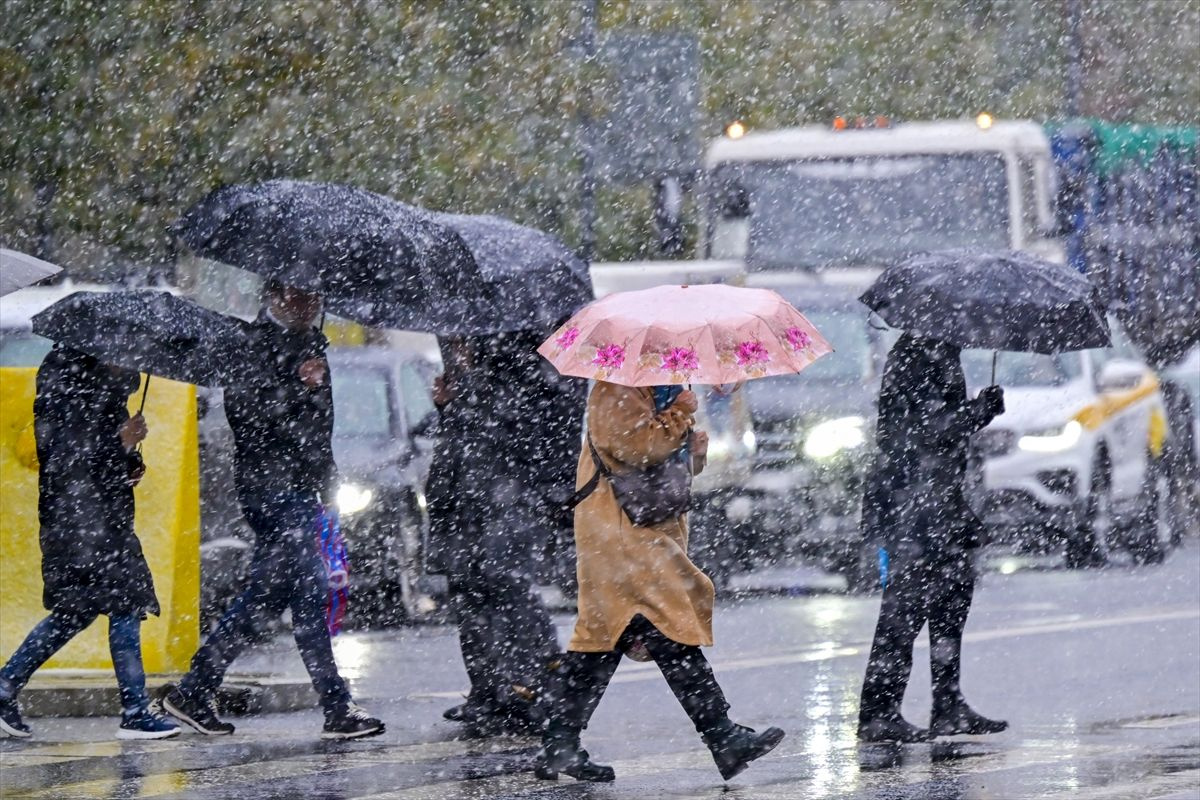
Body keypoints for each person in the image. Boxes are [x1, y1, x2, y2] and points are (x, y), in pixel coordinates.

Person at [163, 280, 383, 740]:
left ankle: (194, 689)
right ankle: (336, 706)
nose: (309, 303)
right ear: (274, 296)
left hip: (304, 489)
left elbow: (320, 425)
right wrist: (300, 388)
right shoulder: (253, 345)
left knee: (270, 598)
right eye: (299, 295)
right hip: (271, 489)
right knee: (311, 590)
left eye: (315, 295)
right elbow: (249, 417)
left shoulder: (311, 343)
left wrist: (328, 479)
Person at [534, 381, 785, 783]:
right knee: (667, 630)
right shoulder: (616, 386)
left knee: (605, 639)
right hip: (620, 534)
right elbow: (635, 448)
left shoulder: (655, 389)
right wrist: (681, 413)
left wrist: (694, 455)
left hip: (637, 530)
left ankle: (559, 744)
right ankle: (722, 736)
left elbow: (657, 466)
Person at [0, 346, 178, 740]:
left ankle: (4, 688)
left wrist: (130, 459)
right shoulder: (70, 393)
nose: (132, 360)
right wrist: (120, 444)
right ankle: (134, 710)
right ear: (100, 351)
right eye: (125, 353)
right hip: (82, 524)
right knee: (125, 603)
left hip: (96, 522)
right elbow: (68, 462)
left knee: (74, 612)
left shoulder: (109, 395)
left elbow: (101, 464)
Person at [857, 332, 1008, 743]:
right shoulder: (914, 356)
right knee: (904, 608)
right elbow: (921, 432)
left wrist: (973, 413)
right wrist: (976, 412)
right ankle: (878, 712)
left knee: (952, 599)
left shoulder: (941, 350)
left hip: (941, 501)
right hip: (912, 503)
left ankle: (948, 703)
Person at [428, 331, 576, 735]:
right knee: (470, 594)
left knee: (506, 589)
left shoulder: (511, 371)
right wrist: (447, 406)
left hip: (501, 503)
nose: (451, 348)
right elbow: (465, 438)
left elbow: (507, 434)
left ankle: (535, 687)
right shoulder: (479, 377)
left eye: (456, 341)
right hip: (466, 502)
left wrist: (463, 398)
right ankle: (489, 691)